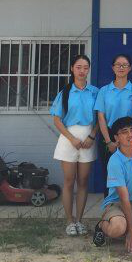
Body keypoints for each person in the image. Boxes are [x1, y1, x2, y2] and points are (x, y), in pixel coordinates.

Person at [50, 54, 98, 236]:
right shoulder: (65, 92)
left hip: (88, 139)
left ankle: (80, 220)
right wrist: (71, 138)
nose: (82, 71)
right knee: (69, 181)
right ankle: (69, 221)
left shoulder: (95, 92)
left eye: (85, 67)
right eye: (78, 67)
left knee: (83, 181)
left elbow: (101, 117)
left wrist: (92, 136)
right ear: (72, 69)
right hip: (68, 139)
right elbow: (57, 119)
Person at [92, 116, 132, 251]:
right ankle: (101, 226)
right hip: (118, 204)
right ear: (116, 138)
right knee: (118, 228)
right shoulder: (115, 162)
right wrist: (131, 232)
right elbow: (124, 199)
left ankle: (131, 223)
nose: (130, 135)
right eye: (124, 132)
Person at [95, 54, 132, 155]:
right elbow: (101, 117)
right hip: (108, 135)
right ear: (113, 67)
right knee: (108, 164)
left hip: (128, 135)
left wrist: (125, 135)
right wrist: (109, 141)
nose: (121, 67)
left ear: (130, 68)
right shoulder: (103, 91)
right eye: (118, 65)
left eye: (125, 65)